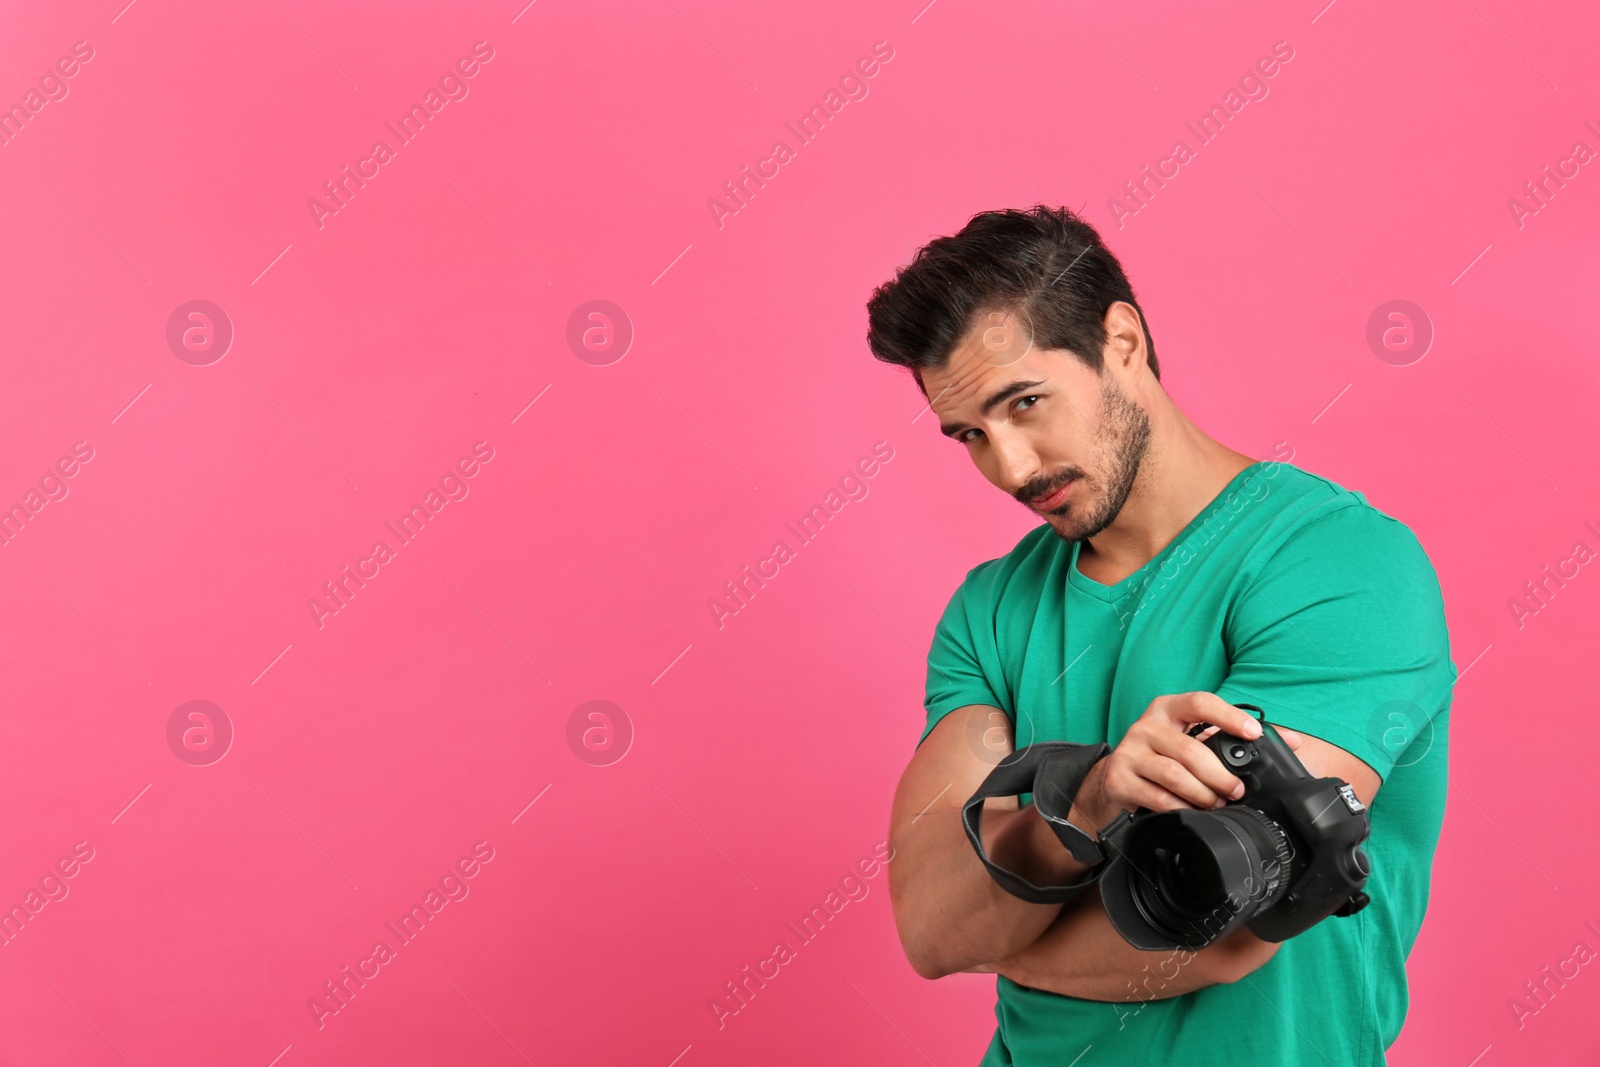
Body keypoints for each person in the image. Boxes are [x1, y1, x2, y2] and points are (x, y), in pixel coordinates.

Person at [864, 205, 1455, 1066]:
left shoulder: (1338, 563)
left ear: (1123, 341)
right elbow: (928, 926)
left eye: (1026, 403)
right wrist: (1088, 799)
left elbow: (1230, 928)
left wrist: (1003, 937)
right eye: (972, 436)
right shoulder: (988, 611)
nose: (1013, 467)